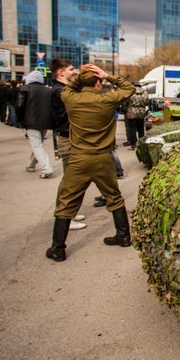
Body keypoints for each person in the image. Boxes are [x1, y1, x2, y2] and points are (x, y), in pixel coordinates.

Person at [46, 64, 134, 262]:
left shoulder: (71, 98)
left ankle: (57, 248)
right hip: (103, 158)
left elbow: (68, 87)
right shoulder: (107, 100)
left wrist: (81, 74)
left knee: (66, 202)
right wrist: (106, 75)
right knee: (114, 197)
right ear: (97, 83)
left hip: (79, 159)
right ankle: (124, 236)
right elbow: (129, 89)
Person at [50, 59, 87, 230]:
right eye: (72, 69)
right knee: (69, 182)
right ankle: (64, 216)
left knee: (73, 180)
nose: (75, 72)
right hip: (69, 139)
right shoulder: (60, 92)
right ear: (61, 72)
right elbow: (69, 117)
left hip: (71, 138)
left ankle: (68, 213)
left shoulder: (63, 90)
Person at [17, 71, 54, 179]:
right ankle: (31, 165)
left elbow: (19, 106)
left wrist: (20, 121)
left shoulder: (25, 88)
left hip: (30, 121)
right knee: (38, 145)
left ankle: (47, 168)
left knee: (37, 145)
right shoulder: (48, 90)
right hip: (45, 122)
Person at [122, 82, 149, 149]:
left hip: (131, 112)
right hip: (141, 112)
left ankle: (134, 144)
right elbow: (147, 102)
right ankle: (141, 144)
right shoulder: (144, 92)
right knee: (141, 128)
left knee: (132, 129)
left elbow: (125, 101)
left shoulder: (130, 91)